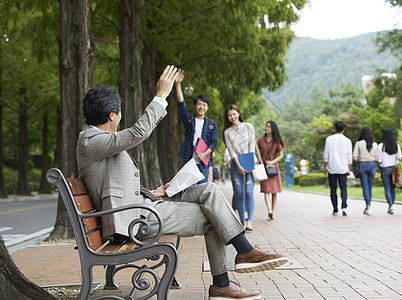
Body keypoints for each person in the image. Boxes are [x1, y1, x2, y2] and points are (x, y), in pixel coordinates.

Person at [76, 65, 288, 299]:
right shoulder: (91, 140)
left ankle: (241, 257)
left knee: (209, 191)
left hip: (142, 206)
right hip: (136, 220)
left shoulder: (96, 141)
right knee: (213, 216)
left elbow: (114, 184)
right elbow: (138, 133)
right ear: (112, 115)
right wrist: (160, 96)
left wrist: (152, 193)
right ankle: (228, 275)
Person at [175, 69, 218, 184]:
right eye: (199, 104)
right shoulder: (189, 120)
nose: (201, 107)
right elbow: (181, 105)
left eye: (204, 105)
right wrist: (178, 84)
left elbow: (214, 142)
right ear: (195, 106)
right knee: (187, 188)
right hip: (189, 158)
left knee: (202, 189)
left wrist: (205, 154)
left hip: (204, 161)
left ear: (207, 107)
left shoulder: (212, 124)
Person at [223, 104, 256, 232]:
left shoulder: (249, 127)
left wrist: (248, 164)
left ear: (238, 113)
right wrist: (239, 166)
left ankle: (250, 221)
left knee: (248, 191)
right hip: (236, 165)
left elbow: (252, 145)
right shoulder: (227, 132)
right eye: (229, 115)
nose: (232, 117)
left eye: (234, 113)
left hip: (249, 162)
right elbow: (231, 151)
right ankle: (242, 222)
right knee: (239, 193)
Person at [323, 121, 352, 216]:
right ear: (344, 129)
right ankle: (344, 206)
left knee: (333, 189)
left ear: (335, 129)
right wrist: (349, 169)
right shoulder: (347, 141)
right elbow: (349, 157)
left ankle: (335, 209)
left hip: (332, 168)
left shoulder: (329, 139)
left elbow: (326, 155)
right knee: (344, 188)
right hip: (343, 168)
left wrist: (324, 167)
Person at [257, 121, 284, 220]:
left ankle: (273, 210)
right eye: (266, 126)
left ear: (273, 128)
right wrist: (257, 164)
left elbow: (281, 155)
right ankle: (269, 210)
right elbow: (259, 154)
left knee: (274, 191)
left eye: (269, 127)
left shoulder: (277, 141)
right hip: (264, 168)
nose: (266, 128)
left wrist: (272, 162)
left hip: (273, 168)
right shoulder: (261, 140)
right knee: (266, 190)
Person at [353, 126, 378, 215]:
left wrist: (361, 157)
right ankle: (368, 205)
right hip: (372, 165)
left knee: (365, 186)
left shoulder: (359, 143)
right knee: (370, 186)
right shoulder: (374, 144)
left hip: (362, 165)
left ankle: (368, 204)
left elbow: (355, 157)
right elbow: (377, 158)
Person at [378, 128, 402, 214]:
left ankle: (391, 205)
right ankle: (391, 205)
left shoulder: (381, 146)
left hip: (385, 169)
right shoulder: (396, 145)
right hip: (394, 169)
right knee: (393, 189)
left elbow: (379, 160)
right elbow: (400, 157)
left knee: (387, 188)